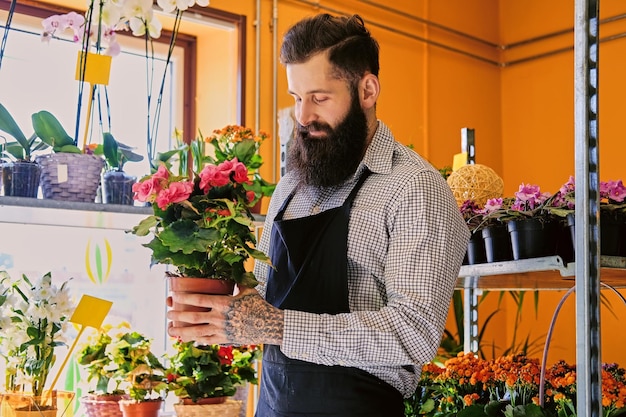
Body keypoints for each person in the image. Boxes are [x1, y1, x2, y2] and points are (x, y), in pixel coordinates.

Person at [167, 13, 469, 416]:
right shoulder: (293, 184)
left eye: (319, 98)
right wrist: (213, 303)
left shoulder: (414, 187)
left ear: (367, 89)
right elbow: (262, 288)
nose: (303, 116)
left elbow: (415, 333)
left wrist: (278, 327)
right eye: (296, 97)